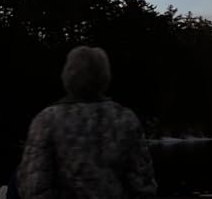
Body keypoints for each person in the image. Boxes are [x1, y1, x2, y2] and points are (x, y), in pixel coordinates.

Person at [16, 46, 157, 199]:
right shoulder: (125, 118)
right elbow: (143, 185)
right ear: (104, 76)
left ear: (67, 75)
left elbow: (33, 187)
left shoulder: (46, 120)